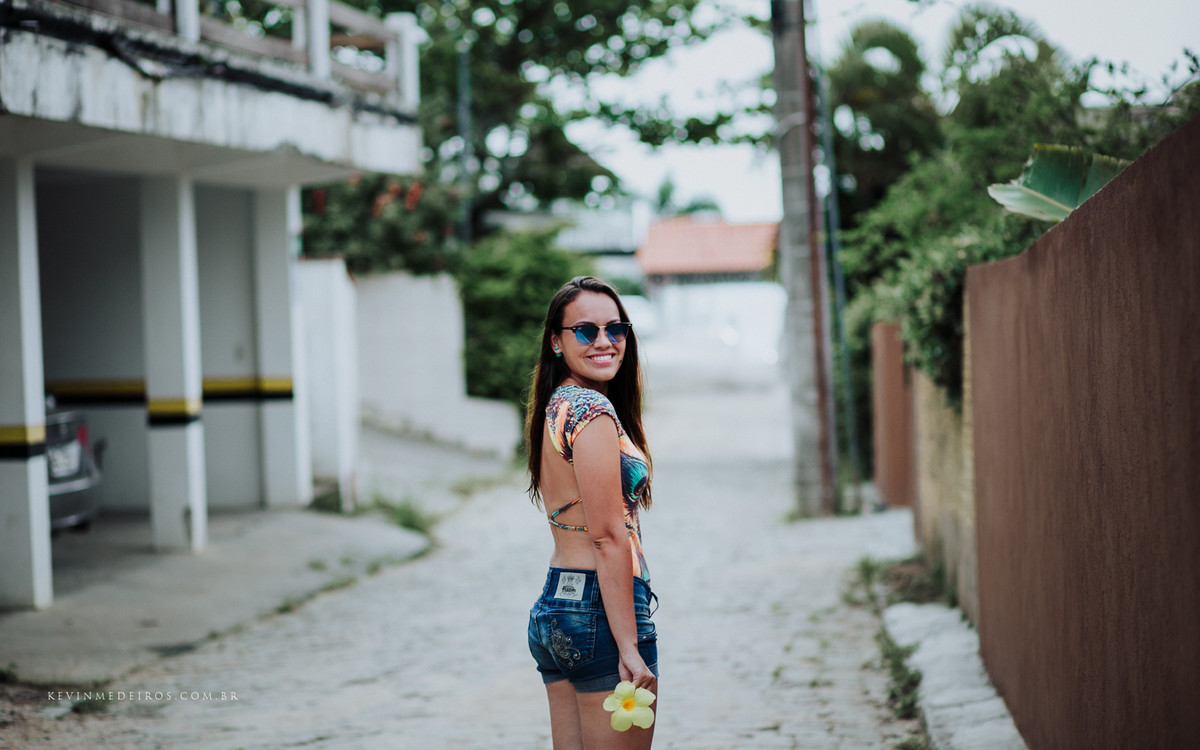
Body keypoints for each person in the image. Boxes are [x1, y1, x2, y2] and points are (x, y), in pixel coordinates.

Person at [526, 276, 659, 750]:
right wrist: (628, 646)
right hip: (598, 613)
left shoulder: (555, 406)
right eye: (585, 331)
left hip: (556, 607)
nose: (604, 341)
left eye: (615, 329)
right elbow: (607, 537)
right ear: (557, 342)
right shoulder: (592, 411)